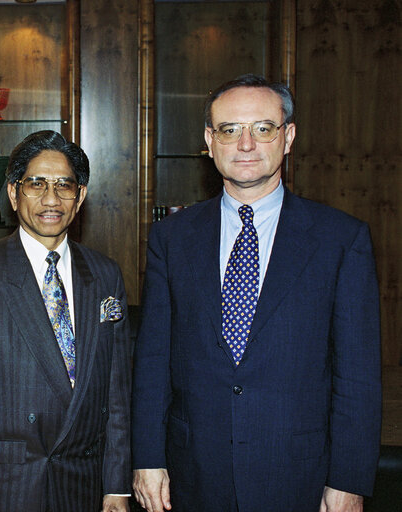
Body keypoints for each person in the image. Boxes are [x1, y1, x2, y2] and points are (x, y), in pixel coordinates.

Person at [131, 73, 382, 512]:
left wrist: (349, 479)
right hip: (192, 475)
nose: (246, 144)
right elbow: (153, 360)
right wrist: (147, 459)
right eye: (230, 130)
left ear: (288, 137)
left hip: (300, 476)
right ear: (210, 141)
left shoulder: (340, 239)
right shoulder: (171, 239)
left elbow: (357, 375)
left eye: (263, 128)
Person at [0, 130, 132, 512]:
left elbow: (117, 394)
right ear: (13, 193)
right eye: (36, 184)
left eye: (64, 186)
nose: (51, 199)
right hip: (5, 488)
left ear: (81, 196)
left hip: (85, 487)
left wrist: (117, 486)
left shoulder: (106, 275)